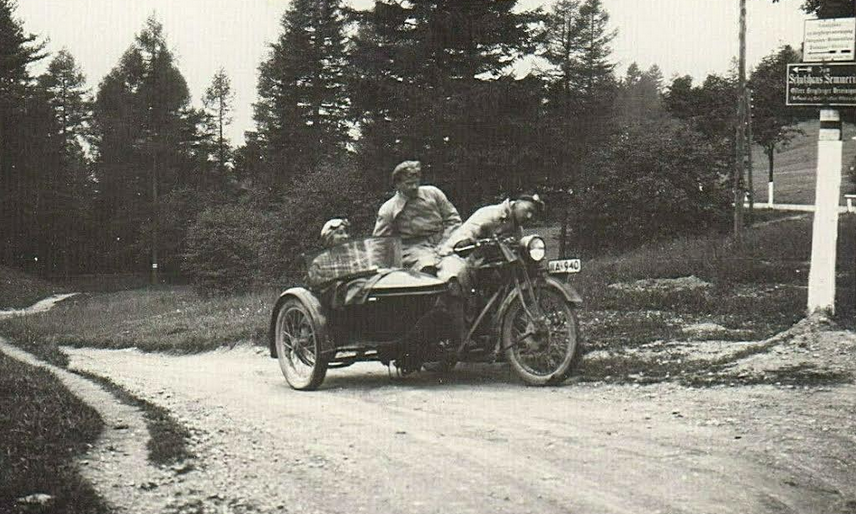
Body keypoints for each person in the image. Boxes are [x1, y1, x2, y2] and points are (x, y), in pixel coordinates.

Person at [436, 194, 546, 345]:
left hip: (484, 264)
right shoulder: (490, 214)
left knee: (511, 280)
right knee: (459, 280)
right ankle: (460, 336)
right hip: (459, 257)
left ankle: (503, 331)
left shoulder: (516, 227)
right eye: (528, 209)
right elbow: (464, 238)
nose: (529, 216)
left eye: (533, 214)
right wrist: (466, 242)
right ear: (516, 203)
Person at [373, 160, 462, 271]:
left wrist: (446, 243)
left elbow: (453, 220)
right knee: (428, 268)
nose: (414, 187)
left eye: (416, 182)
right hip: (412, 251)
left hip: (443, 243)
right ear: (398, 185)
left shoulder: (433, 193)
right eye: (409, 184)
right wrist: (376, 267)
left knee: (457, 269)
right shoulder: (389, 209)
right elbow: (380, 242)